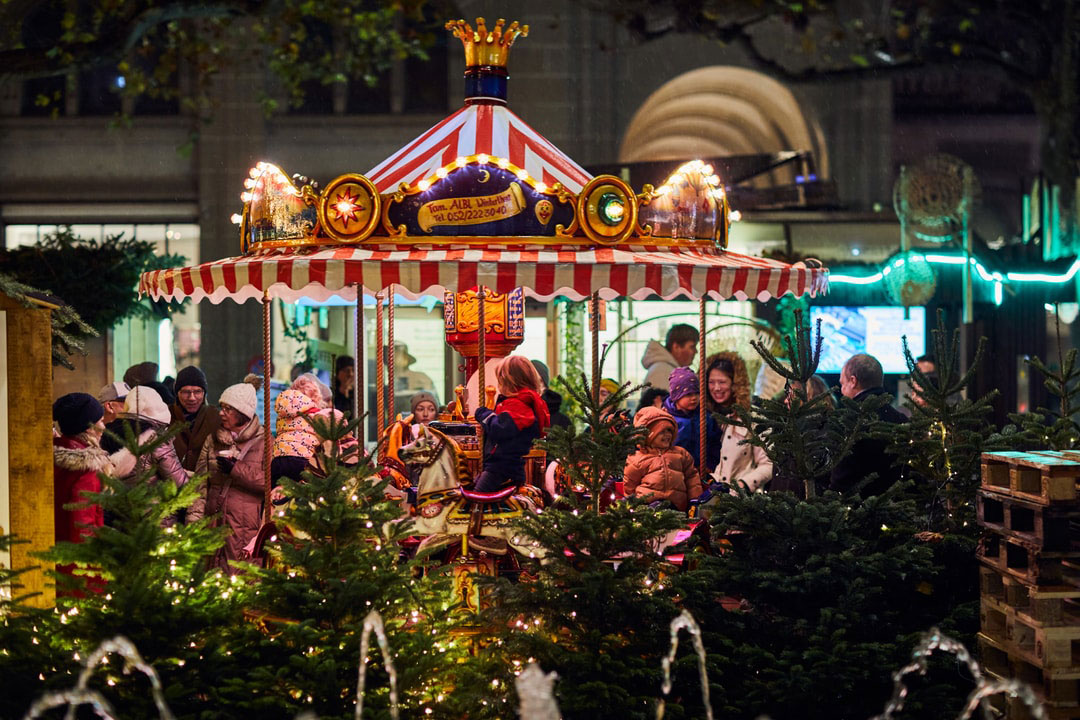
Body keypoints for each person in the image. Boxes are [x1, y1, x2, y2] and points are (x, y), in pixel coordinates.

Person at [189, 378, 265, 574]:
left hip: (245, 527)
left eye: (228, 409)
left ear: (243, 413)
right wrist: (194, 525)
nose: (221, 413)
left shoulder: (265, 442)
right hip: (213, 523)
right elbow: (199, 485)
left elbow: (268, 482)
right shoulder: (213, 440)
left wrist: (236, 469)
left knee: (242, 581)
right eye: (222, 407)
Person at [101, 386, 190, 525]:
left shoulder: (107, 433)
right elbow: (179, 483)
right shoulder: (155, 438)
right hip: (153, 521)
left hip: (118, 519)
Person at [52, 393, 109, 595]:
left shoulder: (56, 455)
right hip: (79, 569)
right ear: (88, 426)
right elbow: (82, 526)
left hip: (57, 559)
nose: (104, 426)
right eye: (100, 421)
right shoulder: (86, 468)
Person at [830, 353, 908, 497]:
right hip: (898, 507)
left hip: (856, 511)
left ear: (853, 381)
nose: (841, 391)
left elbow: (841, 476)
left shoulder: (849, 421)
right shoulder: (901, 419)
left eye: (842, 384)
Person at [473, 355, 551, 493]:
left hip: (502, 468)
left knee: (475, 498)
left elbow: (500, 429)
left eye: (500, 382)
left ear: (511, 383)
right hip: (500, 466)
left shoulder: (519, 405)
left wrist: (483, 414)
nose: (498, 386)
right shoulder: (516, 404)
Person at [704, 353, 772, 492]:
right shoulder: (705, 418)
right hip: (711, 498)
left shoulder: (752, 417)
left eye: (722, 382)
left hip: (743, 501)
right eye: (711, 382)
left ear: (736, 384)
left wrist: (743, 485)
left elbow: (768, 464)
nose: (716, 388)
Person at [623, 406, 703, 512]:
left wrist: (695, 500)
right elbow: (630, 485)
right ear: (649, 436)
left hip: (676, 507)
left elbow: (692, 478)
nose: (667, 435)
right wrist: (631, 506)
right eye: (661, 432)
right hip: (647, 506)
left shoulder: (680, 453)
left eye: (669, 431)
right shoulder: (637, 458)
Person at [663, 367, 721, 472]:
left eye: (696, 393)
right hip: (674, 471)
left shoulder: (705, 417)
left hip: (700, 469)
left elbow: (715, 442)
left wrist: (710, 464)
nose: (694, 398)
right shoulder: (666, 419)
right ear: (677, 396)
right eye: (688, 394)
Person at [383, 391, 439, 489]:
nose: (425, 414)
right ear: (413, 412)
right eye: (420, 409)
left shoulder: (441, 437)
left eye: (431, 409)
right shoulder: (408, 434)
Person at [170, 365, 221, 472]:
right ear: (177, 393)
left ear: (204, 393)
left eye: (197, 392)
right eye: (186, 392)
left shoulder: (216, 417)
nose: (192, 398)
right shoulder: (166, 416)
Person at [640, 324, 699, 391]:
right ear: (676, 347)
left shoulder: (666, 369)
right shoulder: (662, 372)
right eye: (692, 347)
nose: (696, 351)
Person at [531, 359, 571, 429]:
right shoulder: (515, 416)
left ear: (544, 386)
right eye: (530, 381)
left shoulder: (561, 422)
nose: (533, 386)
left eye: (538, 381)